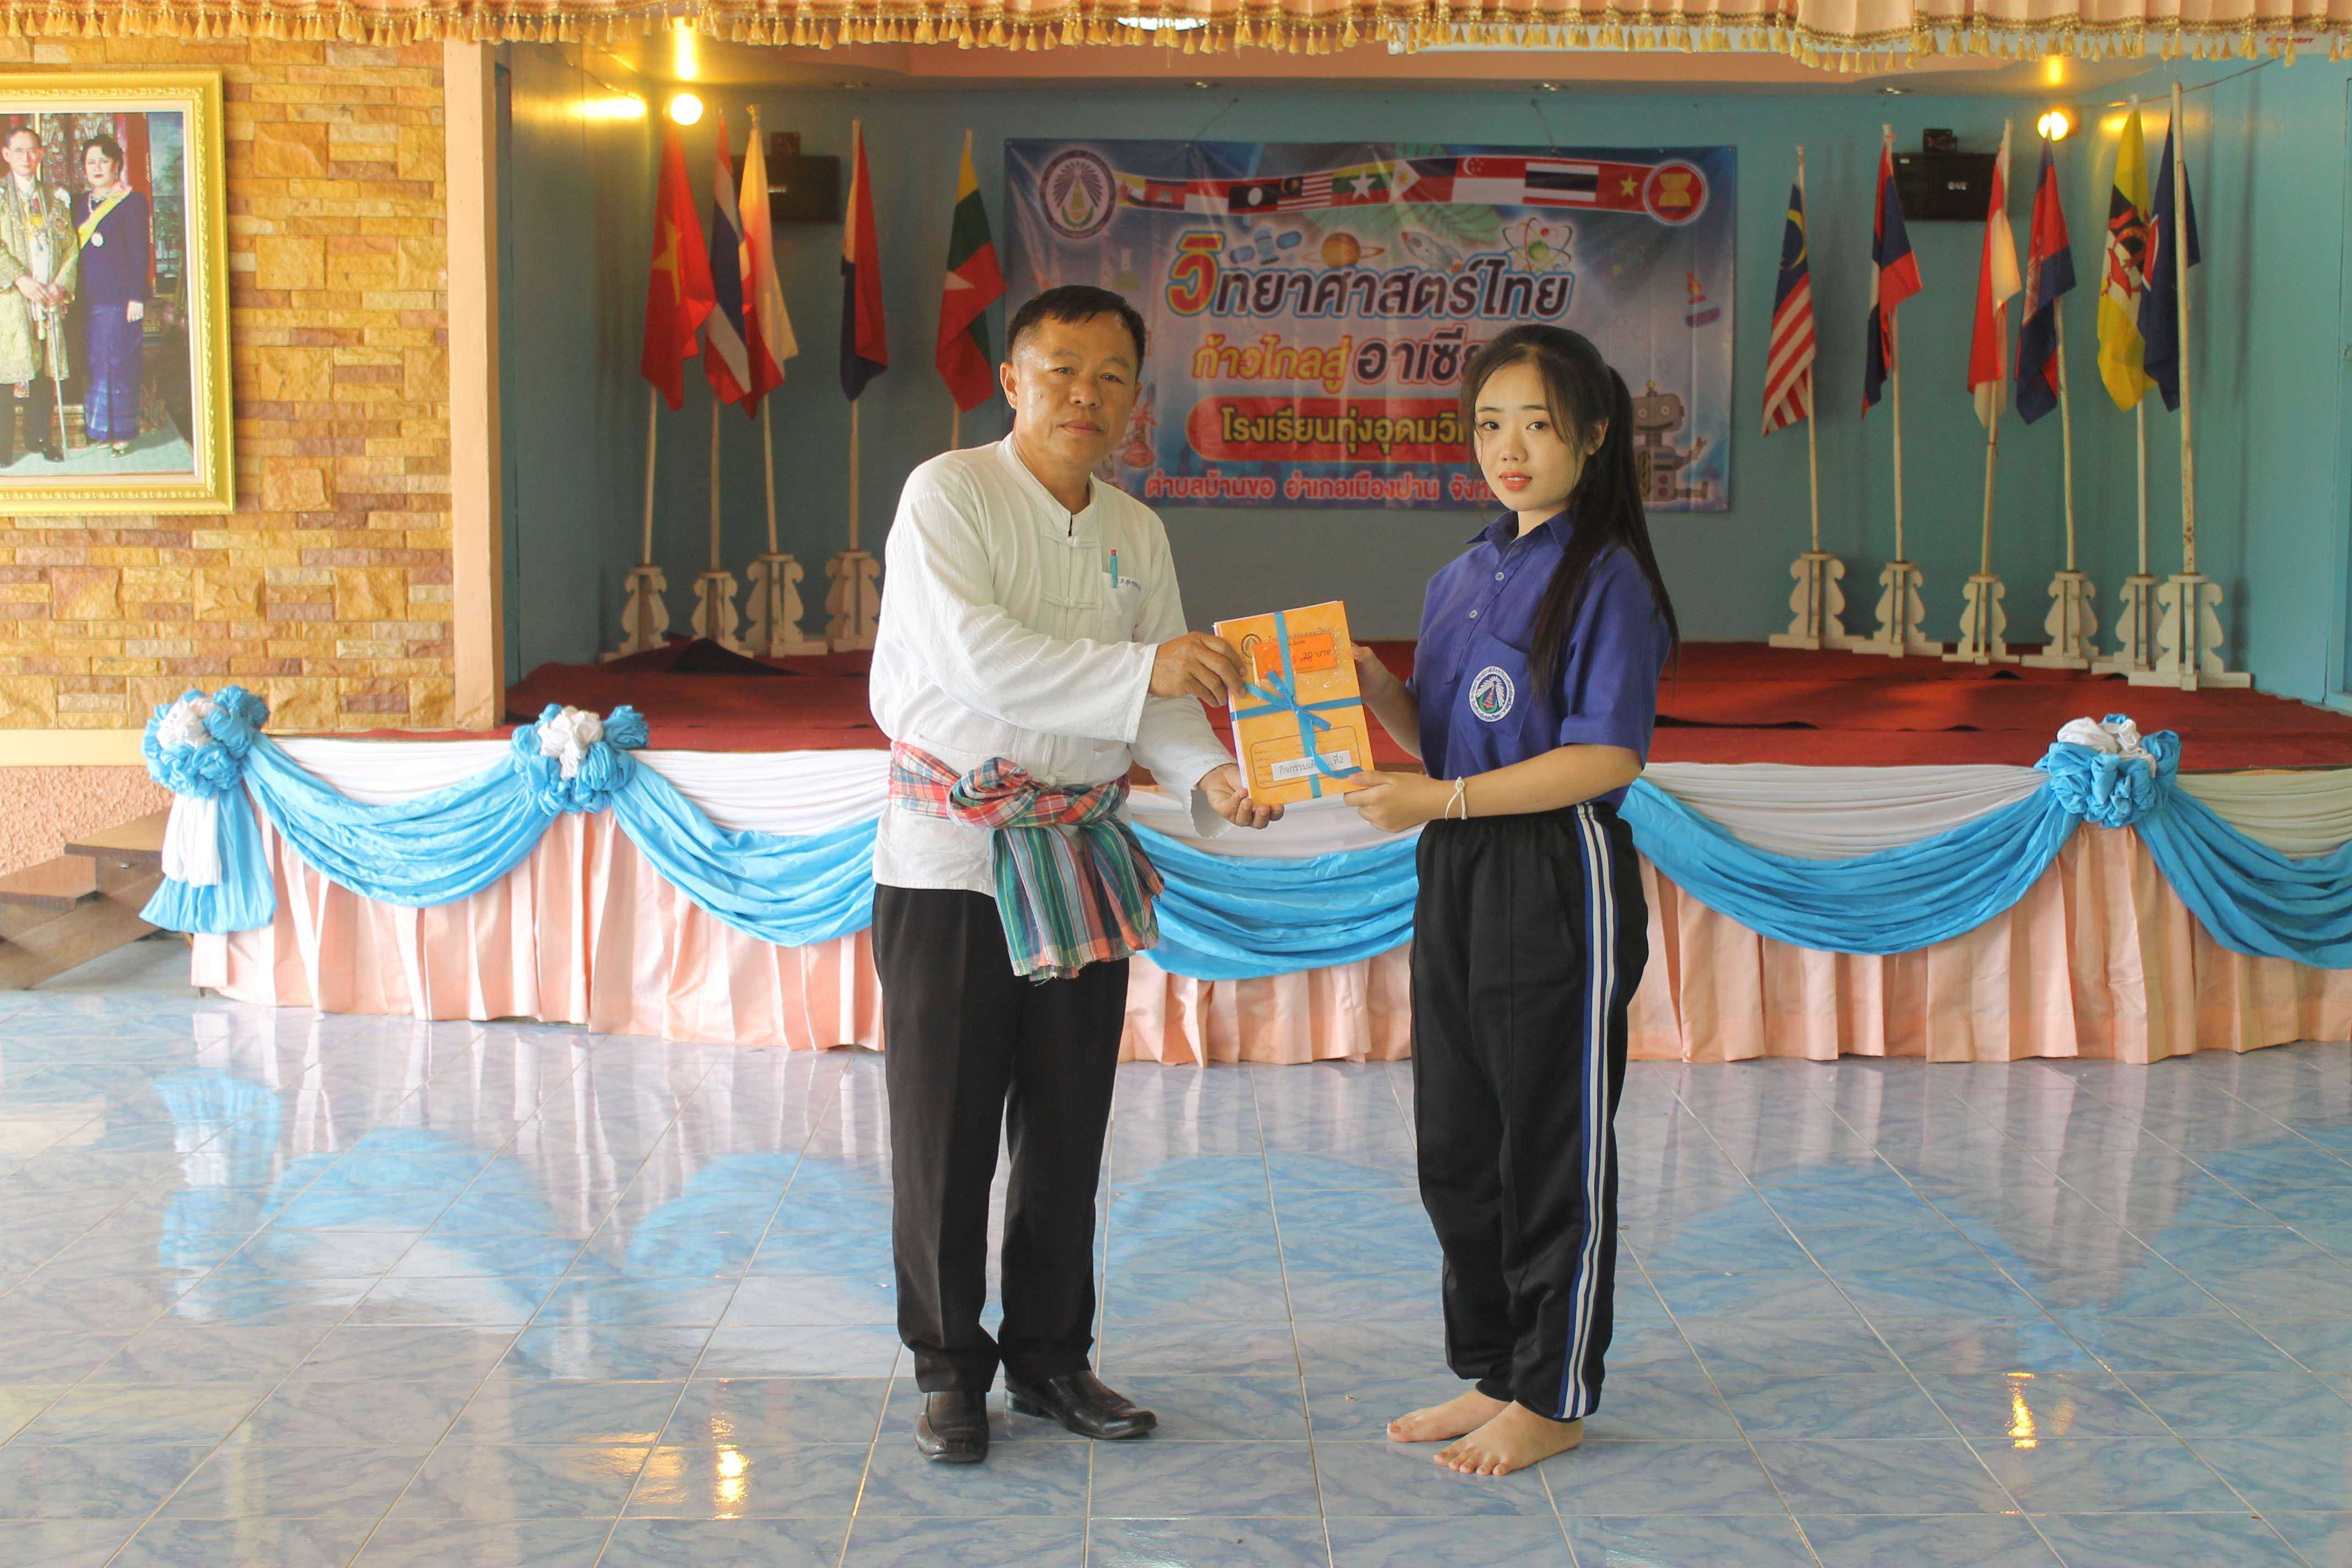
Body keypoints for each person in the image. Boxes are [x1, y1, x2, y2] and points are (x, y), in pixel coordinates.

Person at [867, 284, 1281, 1466]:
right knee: (945, 1131)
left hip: (1081, 854)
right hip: (954, 859)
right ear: (1011, 380)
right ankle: (948, 1366)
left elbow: (1164, 702)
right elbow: (976, 659)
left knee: (1066, 1128)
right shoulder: (948, 493)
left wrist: (1212, 779)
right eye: (1059, 369)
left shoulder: (1134, 530)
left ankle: (1052, 1356)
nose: (1083, 395)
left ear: (1136, 397)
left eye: (1110, 376)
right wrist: (1148, 670)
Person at [1349, 324, 1678, 1477]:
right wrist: (1370, 687)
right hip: (1458, 861)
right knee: (1459, 1138)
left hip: (1555, 867)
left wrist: (1438, 798)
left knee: (1550, 1138)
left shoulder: (1607, 576)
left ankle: (1553, 1390)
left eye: (1537, 423)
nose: (1510, 447)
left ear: (1592, 435)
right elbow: (1445, 735)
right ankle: (1494, 1366)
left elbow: (1606, 757)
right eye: (1490, 423)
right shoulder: (1461, 574)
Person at [0, 123, 75, 465]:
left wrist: (60, 285)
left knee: (45, 371)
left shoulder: (55, 198)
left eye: (32, 151)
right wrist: (19, 279)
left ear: (42, 154)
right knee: (6, 369)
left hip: (48, 297)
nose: (26, 157)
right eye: (19, 151)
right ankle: (3, 447)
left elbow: (70, 248)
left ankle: (40, 438)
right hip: (12, 298)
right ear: (6, 155)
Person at [74, 132, 149, 458]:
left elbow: (139, 252)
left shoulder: (131, 202)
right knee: (95, 365)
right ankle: (100, 430)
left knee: (119, 365)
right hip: (87, 300)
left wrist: (137, 297)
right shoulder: (79, 204)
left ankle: (122, 433)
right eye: (91, 162)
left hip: (120, 300)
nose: (97, 168)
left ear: (116, 164)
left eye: (103, 161)